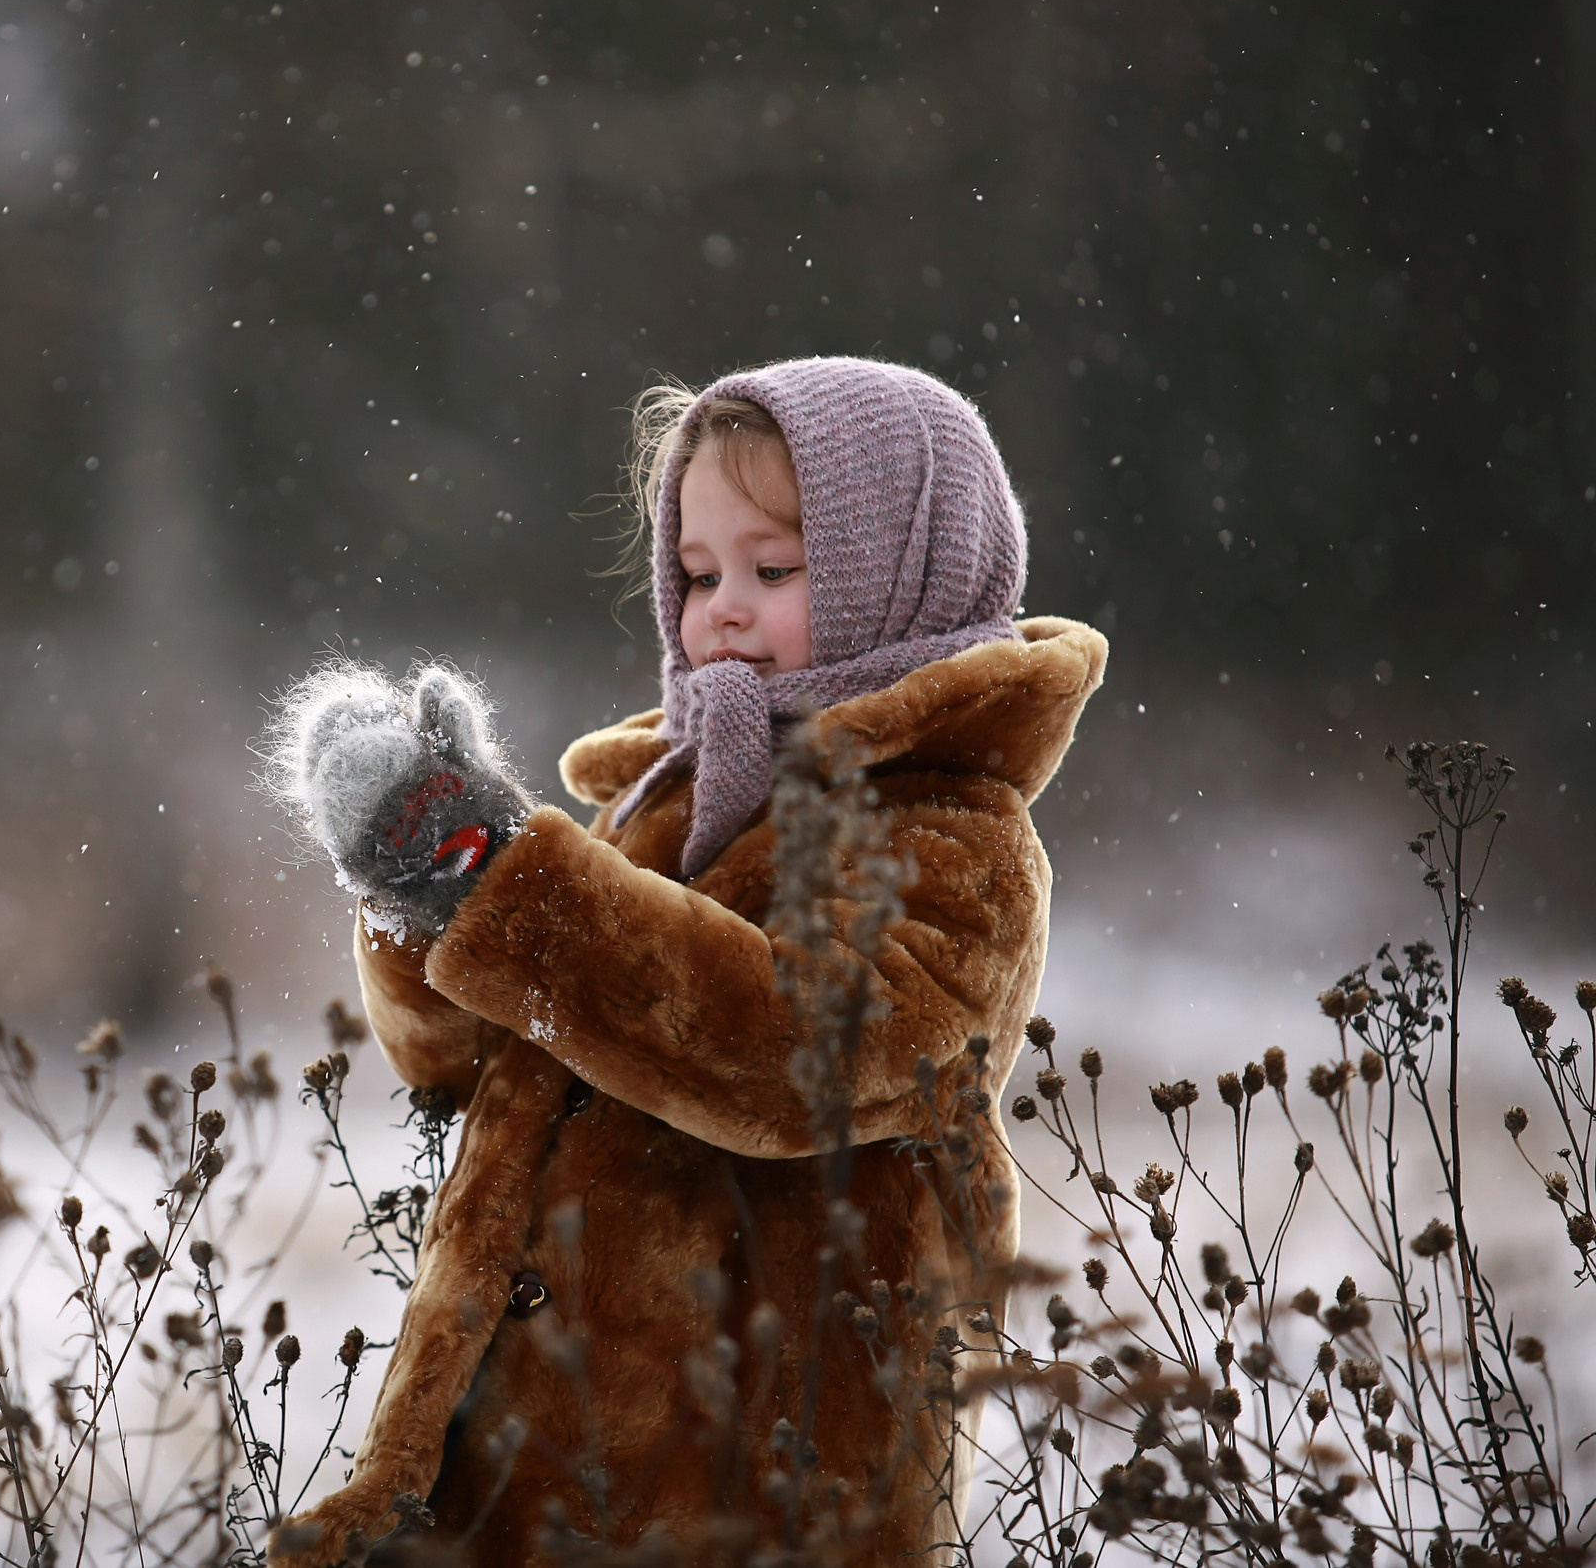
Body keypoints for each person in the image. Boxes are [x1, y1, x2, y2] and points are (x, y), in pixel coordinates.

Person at [268, 358, 1108, 1567]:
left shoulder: (950, 838)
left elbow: (787, 1052)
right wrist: (425, 883)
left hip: (764, 1482)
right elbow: (456, 1058)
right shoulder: (659, 811)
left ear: (908, 579)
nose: (721, 608)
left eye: (773, 571)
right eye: (700, 574)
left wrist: (515, 879)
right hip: (520, 1463)